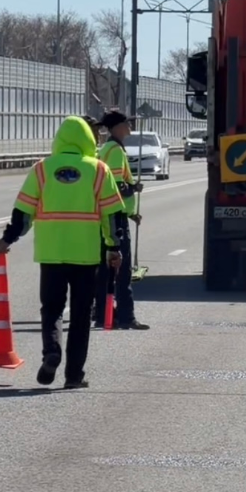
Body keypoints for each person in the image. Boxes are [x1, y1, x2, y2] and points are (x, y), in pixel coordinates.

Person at [0, 116, 126, 389]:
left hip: (51, 253)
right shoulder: (99, 170)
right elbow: (113, 215)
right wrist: (114, 247)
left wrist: (8, 239)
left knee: (52, 309)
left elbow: (23, 212)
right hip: (86, 255)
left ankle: (52, 352)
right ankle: (74, 376)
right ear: (88, 139)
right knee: (81, 315)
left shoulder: (42, 169)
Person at [93, 111, 149, 330]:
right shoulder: (115, 151)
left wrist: (131, 212)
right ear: (117, 127)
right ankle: (126, 317)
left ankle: (103, 314)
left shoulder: (107, 148)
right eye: (127, 123)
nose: (130, 127)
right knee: (122, 270)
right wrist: (134, 187)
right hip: (115, 218)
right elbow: (116, 186)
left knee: (106, 269)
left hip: (109, 215)